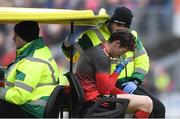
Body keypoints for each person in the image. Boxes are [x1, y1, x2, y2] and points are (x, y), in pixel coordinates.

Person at [62, 6, 165, 118]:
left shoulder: (131, 36)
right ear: (115, 43)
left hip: (127, 84)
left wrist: (135, 80)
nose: (121, 28)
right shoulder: (95, 42)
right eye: (118, 24)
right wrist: (67, 45)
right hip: (105, 86)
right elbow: (74, 56)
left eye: (124, 26)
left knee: (157, 108)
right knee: (146, 104)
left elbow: (142, 58)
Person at [75, 30, 153, 118]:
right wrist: (118, 70)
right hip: (95, 102)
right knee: (147, 103)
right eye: (121, 52)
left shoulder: (98, 51)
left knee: (140, 101)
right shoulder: (100, 56)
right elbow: (104, 89)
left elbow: (108, 86)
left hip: (93, 99)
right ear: (116, 43)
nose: (119, 56)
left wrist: (127, 95)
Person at [0, 21, 59, 117]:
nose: (13, 38)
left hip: (32, 110)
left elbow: (18, 97)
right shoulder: (38, 50)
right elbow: (18, 72)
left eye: (16, 36)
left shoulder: (32, 61)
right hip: (33, 106)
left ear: (24, 38)